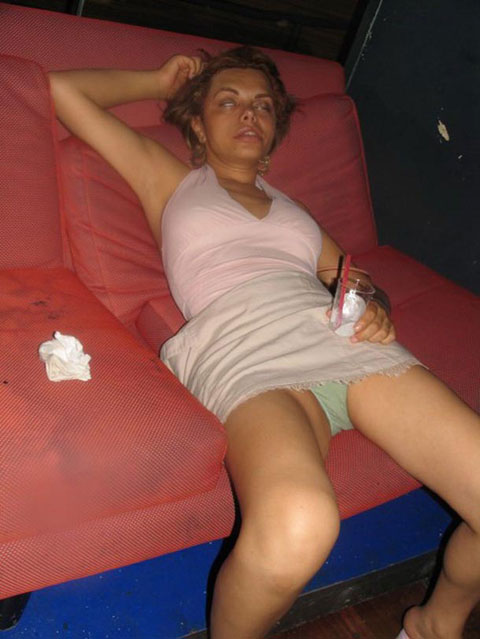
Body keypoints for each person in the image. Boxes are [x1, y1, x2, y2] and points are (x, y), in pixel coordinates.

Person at [49, 46, 480, 639]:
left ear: (275, 131)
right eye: (228, 102)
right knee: (298, 523)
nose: (249, 113)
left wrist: (374, 304)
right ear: (198, 125)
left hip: (340, 339)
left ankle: (435, 624)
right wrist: (158, 81)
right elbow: (60, 91)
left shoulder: (294, 211)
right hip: (241, 349)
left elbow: (351, 278)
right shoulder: (169, 180)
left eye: (263, 105)